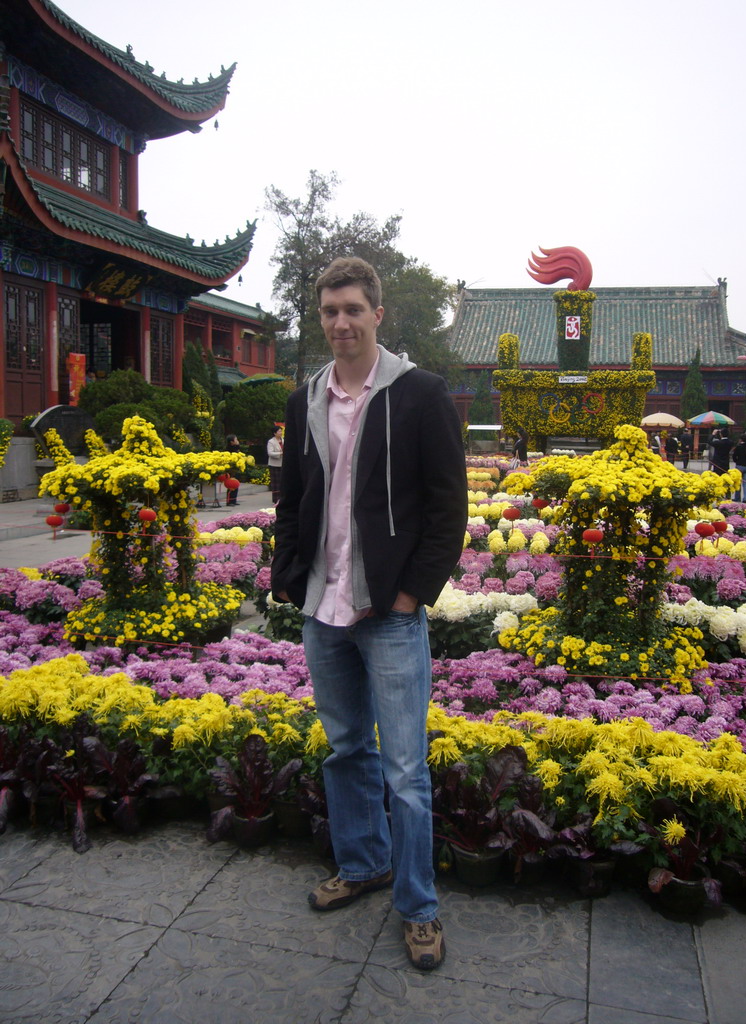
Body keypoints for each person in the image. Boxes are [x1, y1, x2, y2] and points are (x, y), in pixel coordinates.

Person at [271, 256, 467, 971]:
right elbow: (290, 500)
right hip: (322, 609)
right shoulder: (306, 400)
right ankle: (363, 865)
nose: (342, 323)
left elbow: (449, 511)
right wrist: (290, 577)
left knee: (407, 769)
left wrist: (411, 595)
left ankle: (418, 905)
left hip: (388, 612)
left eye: (354, 309)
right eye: (330, 311)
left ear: (378, 314)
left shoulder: (419, 394)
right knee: (346, 748)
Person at [732, 433, 746, 502]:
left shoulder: (738, 447)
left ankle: (737, 497)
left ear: (740, 439)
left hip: (739, 466)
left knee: (738, 482)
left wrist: (736, 461)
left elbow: (734, 456)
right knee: (745, 482)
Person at [266, 424, 284, 504]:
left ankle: (282, 497)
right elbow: (270, 453)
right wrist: (280, 453)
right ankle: (276, 499)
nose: (281, 432)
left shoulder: (283, 440)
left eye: (281, 431)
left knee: (282, 481)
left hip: (282, 464)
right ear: (274, 433)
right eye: (279, 431)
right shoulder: (271, 441)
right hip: (274, 464)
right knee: (276, 482)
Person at [225, 434, 241, 505]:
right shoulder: (228, 449)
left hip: (235, 469)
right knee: (231, 484)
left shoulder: (235, 448)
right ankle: (229, 501)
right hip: (231, 470)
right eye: (236, 440)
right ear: (231, 442)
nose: (237, 441)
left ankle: (234, 500)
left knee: (236, 484)